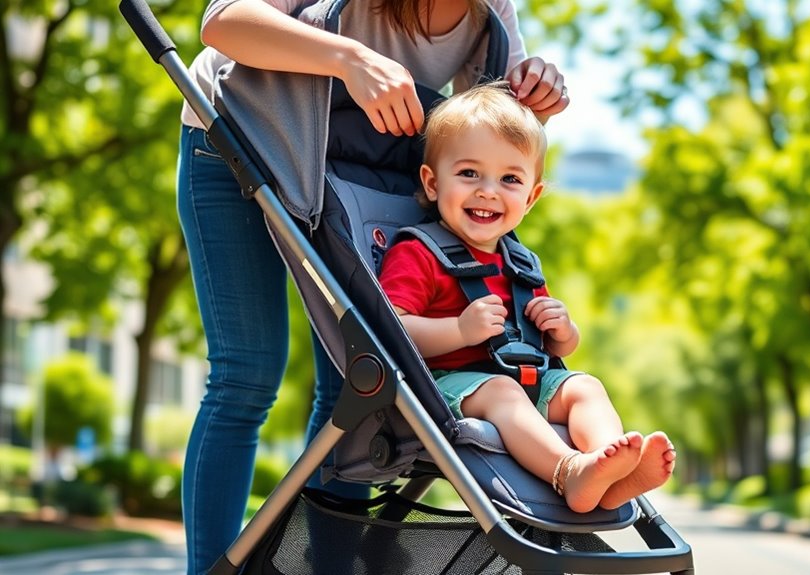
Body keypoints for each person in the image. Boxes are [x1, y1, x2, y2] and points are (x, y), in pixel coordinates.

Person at [176, 1, 569, 573]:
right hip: (235, 138)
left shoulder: (492, 11)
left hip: (344, 169)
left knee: (355, 383)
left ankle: (331, 567)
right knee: (247, 374)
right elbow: (222, 20)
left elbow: (487, 130)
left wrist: (538, 94)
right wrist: (349, 57)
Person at [378, 83, 676, 514]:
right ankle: (569, 471)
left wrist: (563, 331)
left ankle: (611, 468)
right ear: (432, 182)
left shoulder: (519, 263)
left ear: (531, 197)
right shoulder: (418, 253)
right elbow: (393, 330)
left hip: (528, 382)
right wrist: (460, 330)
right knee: (501, 390)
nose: (489, 191)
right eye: (468, 174)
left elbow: (557, 349)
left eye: (510, 179)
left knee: (584, 386)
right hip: (447, 387)